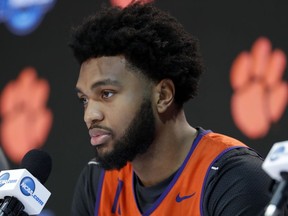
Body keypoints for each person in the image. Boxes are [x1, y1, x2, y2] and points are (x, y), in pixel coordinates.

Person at [69, 3, 278, 216]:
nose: (90, 116)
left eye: (106, 94)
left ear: (163, 95)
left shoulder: (234, 179)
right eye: (84, 100)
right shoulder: (97, 182)